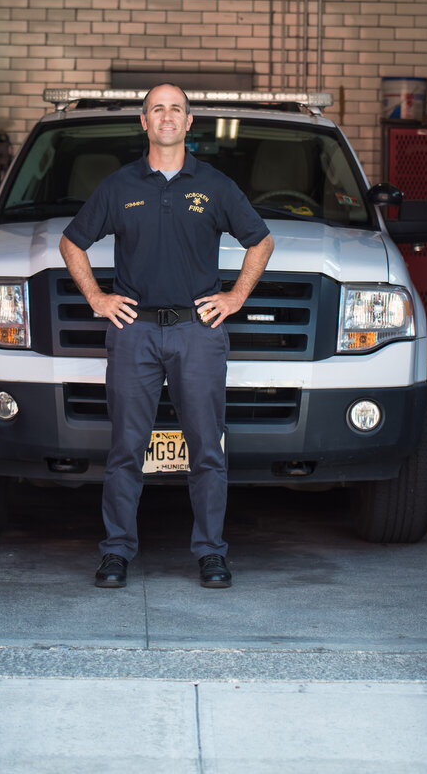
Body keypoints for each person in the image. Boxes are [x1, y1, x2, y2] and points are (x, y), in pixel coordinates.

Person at [59, 84, 274, 590]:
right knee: (126, 450)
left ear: (189, 119)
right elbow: (72, 242)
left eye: (175, 108)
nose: (167, 116)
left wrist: (235, 298)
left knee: (206, 450)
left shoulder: (216, 186)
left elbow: (260, 240)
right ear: (144, 121)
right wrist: (97, 299)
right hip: (134, 334)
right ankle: (115, 554)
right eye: (157, 108)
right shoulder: (119, 186)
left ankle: (211, 554)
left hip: (197, 334)